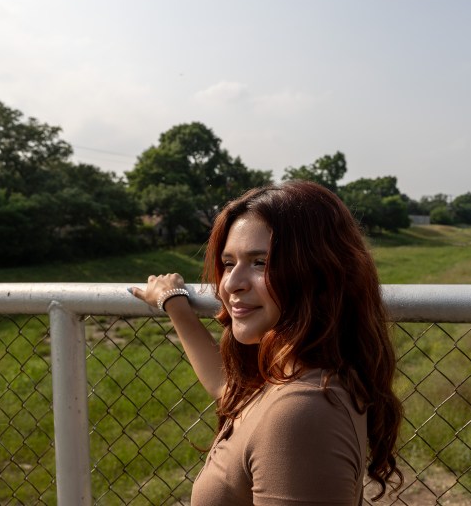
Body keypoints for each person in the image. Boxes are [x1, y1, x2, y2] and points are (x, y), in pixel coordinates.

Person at [129, 180, 403, 505]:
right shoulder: (289, 381)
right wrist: (173, 302)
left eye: (261, 262)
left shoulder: (301, 411)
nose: (230, 283)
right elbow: (225, 385)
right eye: (229, 262)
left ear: (320, 273)